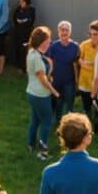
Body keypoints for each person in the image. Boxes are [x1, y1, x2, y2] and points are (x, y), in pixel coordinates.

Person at [26, 26, 60, 160]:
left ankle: (30, 145)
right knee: (47, 121)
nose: (49, 42)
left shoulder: (32, 52)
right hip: (41, 95)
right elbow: (43, 80)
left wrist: (49, 66)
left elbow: (44, 74)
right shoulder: (38, 59)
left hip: (31, 92)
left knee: (35, 119)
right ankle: (43, 151)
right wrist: (55, 92)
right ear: (42, 41)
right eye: (48, 39)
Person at [47, 21, 80, 122]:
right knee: (58, 103)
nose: (64, 32)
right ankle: (58, 122)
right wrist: (48, 76)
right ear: (58, 32)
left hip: (69, 81)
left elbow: (76, 65)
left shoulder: (75, 47)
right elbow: (49, 62)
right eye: (62, 30)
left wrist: (77, 80)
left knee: (70, 103)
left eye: (66, 30)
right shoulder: (53, 46)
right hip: (56, 80)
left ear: (70, 32)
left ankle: (70, 123)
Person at [76, 21, 98, 120]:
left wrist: (90, 63)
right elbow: (79, 58)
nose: (92, 37)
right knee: (86, 105)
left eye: (95, 34)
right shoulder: (84, 44)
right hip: (85, 81)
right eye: (90, 34)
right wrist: (82, 62)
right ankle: (87, 122)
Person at [12, 0, 35, 70]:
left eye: (22, 1)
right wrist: (20, 22)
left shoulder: (31, 10)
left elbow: (30, 21)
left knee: (25, 49)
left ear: (26, 2)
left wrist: (22, 21)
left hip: (26, 33)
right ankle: (18, 65)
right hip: (18, 32)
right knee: (17, 48)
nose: (20, 3)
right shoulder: (18, 9)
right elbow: (15, 19)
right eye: (19, 1)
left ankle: (25, 66)